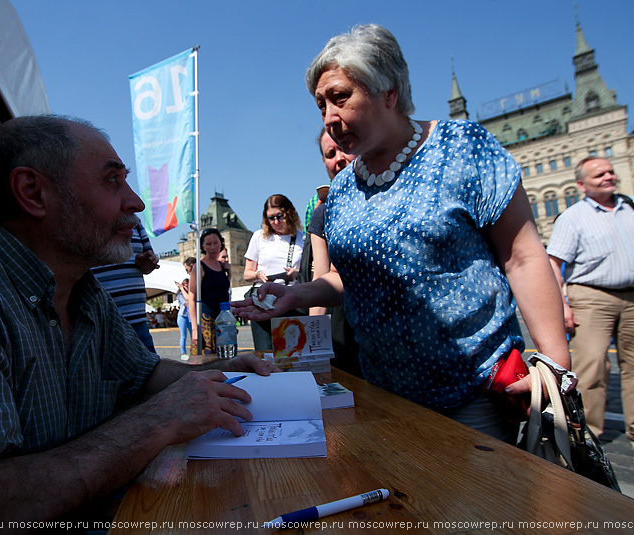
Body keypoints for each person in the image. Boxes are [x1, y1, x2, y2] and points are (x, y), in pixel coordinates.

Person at [0, 115, 277, 523]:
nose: (137, 202)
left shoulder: (83, 291)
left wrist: (222, 373)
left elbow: (143, 373)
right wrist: (154, 422)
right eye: (112, 181)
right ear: (32, 192)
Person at [234, 24, 570, 443]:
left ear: (389, 91)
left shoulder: (463, 148)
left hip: (475, 393)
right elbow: (354, 280)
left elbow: (522, 255)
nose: (329, 118)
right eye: (321, 105)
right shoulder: (339, 193)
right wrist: (296, 295)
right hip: (382, 396)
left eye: (340, 97)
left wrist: (555, 361)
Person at [547, 157, 634, 440]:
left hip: (631, 297)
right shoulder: (573, 217)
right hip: (591, 297)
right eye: (600, 175)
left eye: (611, 171)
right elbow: (553, 264)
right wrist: (562, 307)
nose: (609, 176)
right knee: (592, 367)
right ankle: (589, 434)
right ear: (582, 185)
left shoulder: (630, 207)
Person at [300, 129, 362, 378]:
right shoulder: (323, 212)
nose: (338, 158)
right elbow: (322, 275)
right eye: (330, 153)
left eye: (345, 147)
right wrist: (311, 343)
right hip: (348, 329)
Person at [243, 194, 305, 351]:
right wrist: (258, 274)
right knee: (265, 352)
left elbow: (310, 271)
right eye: (271, 218)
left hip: (291, 298)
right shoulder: (259, 236)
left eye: (280, 216)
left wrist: (296, 273)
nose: (276, 222)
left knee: (290, 352)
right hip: (264, 299)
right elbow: (247, 274)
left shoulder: (301, 238)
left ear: (289, 214)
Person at [91, 216, 158, 352]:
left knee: (149, 370)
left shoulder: (135, 221)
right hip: (99, 323)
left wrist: (147, 263)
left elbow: (148, 262)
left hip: (137, 321)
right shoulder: (87, 216)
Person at [188, 228, 231, 355]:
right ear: (203, 246)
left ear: (221, 244)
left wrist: (230, 273)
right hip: (206, 319)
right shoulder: (199, 266)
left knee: (224, 357)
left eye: (215, 243)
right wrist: (195, 329)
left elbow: (224, 290)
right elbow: (191, 298)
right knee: (206, 360)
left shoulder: (221, 266)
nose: (213, 247)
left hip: (222, 319)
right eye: (208, 244)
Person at [176, 278, 191, 360]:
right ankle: (183, 353)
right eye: (184, 284)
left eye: (187, 284)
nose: (185, 286)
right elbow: (187, 301)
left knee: (193, 335)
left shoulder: (191, 293)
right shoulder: (181, 295)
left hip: (190, 316)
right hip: (182, 316)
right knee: (183, 336)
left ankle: (194, 350)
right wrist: (182, 289)